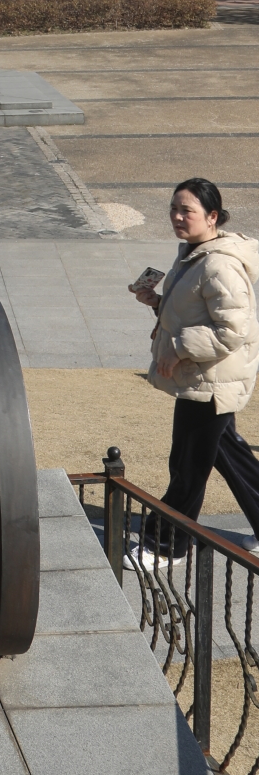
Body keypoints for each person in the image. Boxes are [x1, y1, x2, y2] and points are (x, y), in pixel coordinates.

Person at [131, 177, 259, 540]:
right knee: (228, 457)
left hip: (212, 381)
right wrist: (156, 303)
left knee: (188, 465)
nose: (177, 216)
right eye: (174, 208)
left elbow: (232, 329)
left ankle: (167, 543)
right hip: (205, 377)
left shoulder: (220, 265)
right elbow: (197, 313)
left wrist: (179, 347)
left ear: (212, 216)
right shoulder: (192, 252)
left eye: (187, 210)